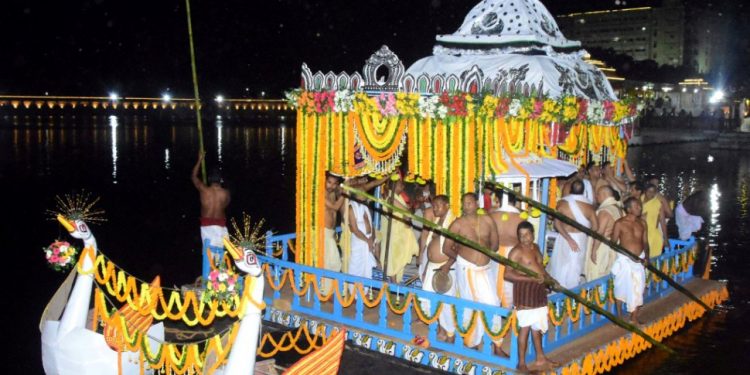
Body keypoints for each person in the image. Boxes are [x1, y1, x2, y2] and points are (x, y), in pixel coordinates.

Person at [441, 193, 505, 356]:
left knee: (492, 303)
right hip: (467, 269)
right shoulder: (458, 224)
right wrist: (462, 258)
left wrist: (483, 255)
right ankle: (472, 342)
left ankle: (496, 344)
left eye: (469, 202)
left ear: (477, 203)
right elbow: (446, 248)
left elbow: (495, 245)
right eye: (464, 203)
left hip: (485, 269)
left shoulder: (488, 220)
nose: (466, 206)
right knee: (471, 304)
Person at [505, 221, 559, 372]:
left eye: (527, 234)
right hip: (525, 293)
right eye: (521, 235)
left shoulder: (536, 248)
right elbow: (507, 274)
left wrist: (550, 279)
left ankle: (540, 357)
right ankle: (521, 363)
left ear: (532, 234)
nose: (524, 238)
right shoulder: (516, 252)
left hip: (538, 292)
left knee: (537, 327)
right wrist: (531, 279)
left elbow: (540, 268)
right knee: (525, 328)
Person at [546, 180, 599, 289]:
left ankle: (560, 293)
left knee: (561, 266)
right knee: (575, 267)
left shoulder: (562, 203)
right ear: (584, 191)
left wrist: (569, 239)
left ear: (570, 190)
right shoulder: (589, 207)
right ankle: (571, 296)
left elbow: (556, 223)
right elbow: (595, 227)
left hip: (564, 237)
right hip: (580, 238)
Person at [417, 195, 456, 342]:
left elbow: (457, 249)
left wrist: (447, 266)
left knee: (445, 302)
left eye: (438, 206)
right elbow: (431, 243)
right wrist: (427, 265)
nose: (435, 209)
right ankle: (441, 328)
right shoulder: (437, 221)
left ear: (447, 206)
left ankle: (449, 333)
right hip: (432, 265)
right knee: (431, 299)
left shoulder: (453, 222)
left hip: (446, 267)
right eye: (434, 206)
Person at [611, 197, 649, 324]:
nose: (639, 208)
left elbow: (645, 242)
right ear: (628, 209)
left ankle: (634, 318)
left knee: (639, 288)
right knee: (620, 287)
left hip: (639, 260)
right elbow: (613, 244)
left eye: (639, 205)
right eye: (636, 206)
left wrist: (647, 257)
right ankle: (619, 316)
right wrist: (628, 255)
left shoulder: (643, 223)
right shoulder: (619, 224)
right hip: (625, 260)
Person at [379, 177, 419, 282]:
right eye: (401, 184)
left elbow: (407, 212)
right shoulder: (391, 198)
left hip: (399, 231)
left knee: (398, 257)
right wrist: (408, 213)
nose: (403, 186)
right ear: (394, 185)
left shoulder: (397, 197)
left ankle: (395, 283)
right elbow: (406, 211)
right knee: (393, 258)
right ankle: (393, 284)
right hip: (394, 232)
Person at [488, 190, 523, 308]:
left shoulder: (492, 216)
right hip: (513, 253)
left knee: (493, 279)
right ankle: (508, 309)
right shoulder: (521, 218)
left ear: (499, 200)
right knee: (510, 284)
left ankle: (497, 307)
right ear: (514, 201)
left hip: (495, 252)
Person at [192, 151, 230, 250]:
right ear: (220, 180)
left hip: (206, 225)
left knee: (209, 255)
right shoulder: (226, 193)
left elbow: (194, 177)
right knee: (220, 256)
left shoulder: (203, 189)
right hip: (220, 225)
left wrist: (199, 160)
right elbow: (225, 205)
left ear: (209, 179)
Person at [584, 186, 623, 281]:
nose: (596, 197)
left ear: (604, 195)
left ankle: (595, 295)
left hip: (602, 247)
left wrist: (594, 250)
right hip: (611, 246)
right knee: (606, 274)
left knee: (596, 273)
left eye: (598, 194)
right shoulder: (618, 209)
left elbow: (600, 232)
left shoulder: (605, 211)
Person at [347, 192, 378, 283]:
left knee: (366, 268)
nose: (364, 193)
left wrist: (372, 239)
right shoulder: (351, 207)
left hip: (368, 240)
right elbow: (355, 229)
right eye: (361, 191)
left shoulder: (365, 207)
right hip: (359, 241)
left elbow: (371, 225)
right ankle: (353, 292)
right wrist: (367, 240)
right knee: (356, 267)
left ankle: (365, 291)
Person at [322, 173, 345, 294]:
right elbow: (335, 207)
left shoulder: (332, 193)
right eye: (329, 182)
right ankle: (326, 293)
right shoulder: (320, 193)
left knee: (333, 262)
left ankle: (329, 291)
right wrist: (345, 193)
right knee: (331, 262)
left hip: (331, 232)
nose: (332, 186)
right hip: (323, 232)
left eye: (335, 183)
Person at [641, 184, 668, 257]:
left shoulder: (658, 203)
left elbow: (663, 222)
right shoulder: (638, 201)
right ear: (645, 191)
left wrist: (665, 239)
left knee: (652, 259)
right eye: (649, 191)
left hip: (653, 235)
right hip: (640, 233)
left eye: (653, 192)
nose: (651, 194)